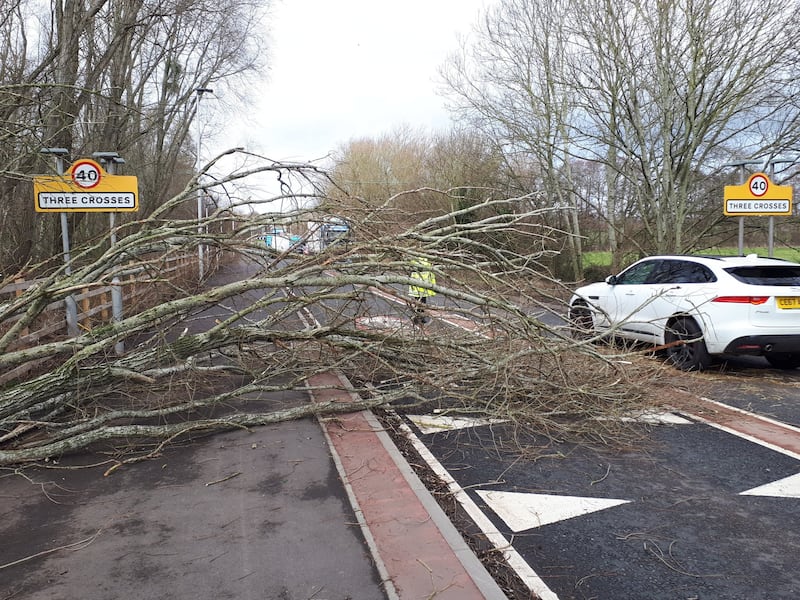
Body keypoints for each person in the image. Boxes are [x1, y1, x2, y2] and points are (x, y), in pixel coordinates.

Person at [408, 256, 436, 324]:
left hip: (416, 288)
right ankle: (420, 317)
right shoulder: (427, 264)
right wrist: (433, 288)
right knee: (422, 303)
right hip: (424, 288)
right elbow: (431, 276)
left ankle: (417, 317)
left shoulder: (413, 262)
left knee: (417, 303)